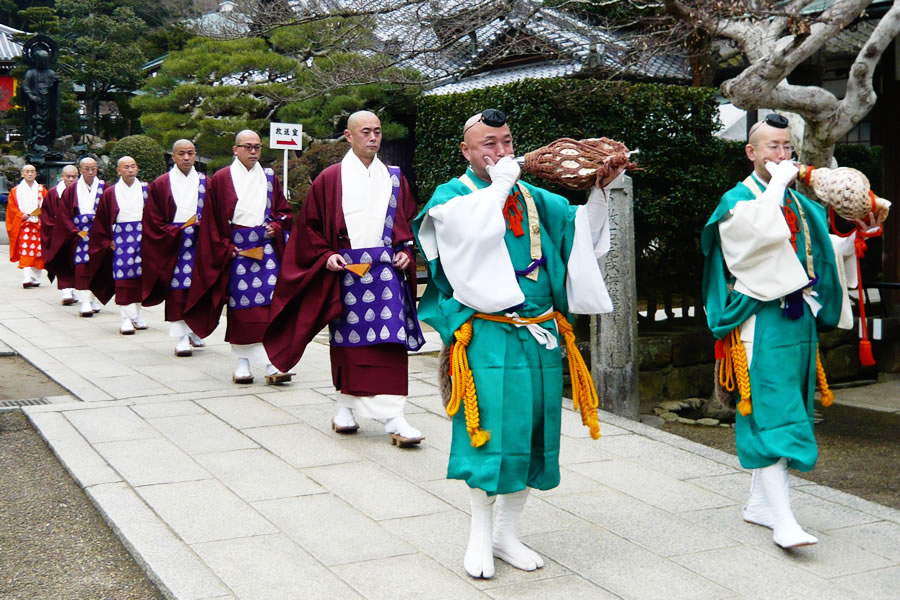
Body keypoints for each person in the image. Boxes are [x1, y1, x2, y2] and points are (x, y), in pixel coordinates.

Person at [412, 109, 621, 578]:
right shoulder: (454, 196)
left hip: (540, 331)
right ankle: (480, 534)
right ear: (466, 150)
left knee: (531, 432)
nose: (501, 151)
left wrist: (601, 188)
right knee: (488, 433)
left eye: (506, 141)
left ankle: (509, 531)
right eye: (488, 143)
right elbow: (463, 237)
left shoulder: (534, 196)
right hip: (486, 333)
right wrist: (501, 184)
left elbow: (581, 236)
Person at [701, 114, 884, 549]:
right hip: (758, 320)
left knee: (790, 408)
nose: (783, 156)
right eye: (772, 147)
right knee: (770, 412)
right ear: (751, 152)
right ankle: (783, 521)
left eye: (787, 147)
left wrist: (855, 236)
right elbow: (758, 240)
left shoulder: (798, 204)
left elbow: (816, 251)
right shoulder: (736, 201)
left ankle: (759, 504)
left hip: (798, 318)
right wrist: (782, 184)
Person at [264, 110, 426, 446]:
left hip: (385, 273)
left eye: (378, 131)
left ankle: (395, 417)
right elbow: (309, 227)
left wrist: (407, 252)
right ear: (349, 136)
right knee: (348, 346)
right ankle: (346, 408)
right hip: (348, 273)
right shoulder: (329, 178)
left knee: (390, 345)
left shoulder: (395, 177)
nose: (373, 137)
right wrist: (326, 255)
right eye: (365, 131)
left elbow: (409, 225)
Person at [184, 130, 293, 384]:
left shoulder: (268, 178)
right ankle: (243, 364)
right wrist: (225, 247)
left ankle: (272, 363)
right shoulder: (221, 179)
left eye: (257, 147)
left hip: (266, 251)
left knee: (269, 306)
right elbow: (211, 221)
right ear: (236, 149)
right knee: (242, 310)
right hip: (237, 251)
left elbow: (283, 212)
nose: (253, 152)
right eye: (248, 147)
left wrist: (275, 227)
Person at [142, 140, 207, 356]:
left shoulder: (207, 182)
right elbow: (152, 219)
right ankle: (180, 336)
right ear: (173, 156)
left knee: (199, 287)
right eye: (181, 154)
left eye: (190, 153)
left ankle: (195, 329)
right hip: (174, 243)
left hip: (200, 241)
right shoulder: (161, 184)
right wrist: (173, 232)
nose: (186, 158)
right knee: (178, 289)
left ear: (195, 154)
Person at [87, 156, 150, 335]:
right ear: (118, 171)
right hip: (120, 239)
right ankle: (125, 318)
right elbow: (102, 219)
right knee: (123, 279)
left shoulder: (146, 189)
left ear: (137, 169)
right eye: (126, 167)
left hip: (143, 236)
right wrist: (107, 240)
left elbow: (154, 215)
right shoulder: (111, 192)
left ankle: (136, 315)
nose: (130, 170)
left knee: (141, 277)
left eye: (133, 166)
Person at [53, 157, 105, 317]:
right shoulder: (72, 189)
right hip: (80, 234)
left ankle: (93, 298)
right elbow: (63, 215)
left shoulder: (105, 187)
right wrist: (75, 231)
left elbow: (111, 210)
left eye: (93, 169)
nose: (90, 172)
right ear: (80, 170)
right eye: (87, 169)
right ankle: (85, 302)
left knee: (98, 267)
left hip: (99, 232)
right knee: (82, 267)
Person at [41, 165, 79, 304]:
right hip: (59, 234)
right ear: (62, 177)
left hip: (76, 233)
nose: (70, 179)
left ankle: (73, 290)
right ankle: (66, 291)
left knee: (77, 263)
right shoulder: (53, 193)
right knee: (62, 261)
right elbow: (46, 215)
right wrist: (56, 229)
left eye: (74, 176)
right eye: (67, 176)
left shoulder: (81, 191)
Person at [5, 164, 47, 288]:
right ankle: (27, 277)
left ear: (36, 174)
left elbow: (48, 205)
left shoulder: (41, 189)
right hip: (24, 224)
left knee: (38, 252)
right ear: (22, 174)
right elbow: (11, 209)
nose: (30, 174)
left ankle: (35, 277)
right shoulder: (16, 191)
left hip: (38, 224)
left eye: (32, 171)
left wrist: (42, 213)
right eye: (27, 172)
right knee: (25, 250)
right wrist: (20, 215)